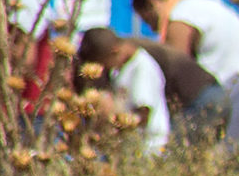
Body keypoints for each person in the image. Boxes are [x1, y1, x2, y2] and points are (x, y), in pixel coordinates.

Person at [75, 26, 230, 154]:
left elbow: (144, 112)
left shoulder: (141, 66)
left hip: (197, 101)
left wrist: (119, 125)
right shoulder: (126, 66)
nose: (104, 69)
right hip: (202, 95)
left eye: (104, 63)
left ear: (114, 51)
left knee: (181, 157)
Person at [132, 0, 239, 90]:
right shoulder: (202, 3)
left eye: (148, 20)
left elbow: (175, 65)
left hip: (224, 89)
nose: (153, 29)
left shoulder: (180, 13)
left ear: (152, 4)